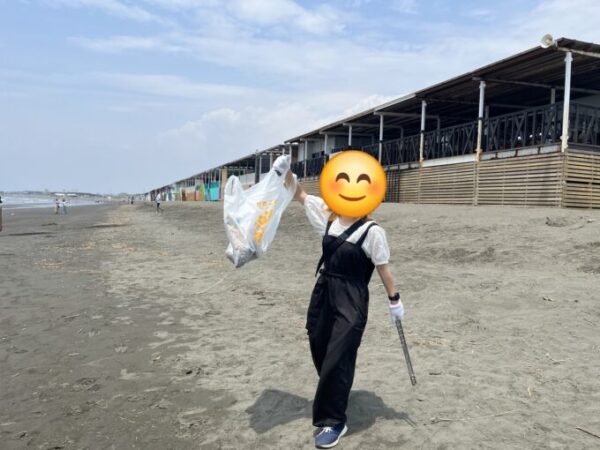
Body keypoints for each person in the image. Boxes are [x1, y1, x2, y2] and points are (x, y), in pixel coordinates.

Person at [277, 156, 405, 449]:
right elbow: (299, 193)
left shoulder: (373, 231)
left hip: (352, 298)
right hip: (324, 291)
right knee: (319, 344)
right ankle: (336, 387)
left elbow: (383, 269)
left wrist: (394, 300)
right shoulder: (328, 216)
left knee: (339, 354)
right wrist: (286, 172)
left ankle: (334, 421)